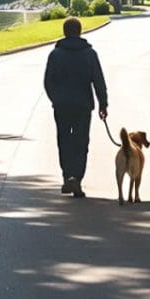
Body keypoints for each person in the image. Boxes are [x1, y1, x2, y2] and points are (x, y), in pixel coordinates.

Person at [43, 16, 108, 198]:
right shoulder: (89, 54)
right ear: (80, 32)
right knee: (81, 142)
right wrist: (103, 103)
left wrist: (55, 98)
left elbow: (48, 81)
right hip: (83, 105)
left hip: (62, 105)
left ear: (64, 32)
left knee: (64, 141)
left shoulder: (55, 54)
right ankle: (76, 178)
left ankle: (67, 177)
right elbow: (98, 81)